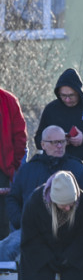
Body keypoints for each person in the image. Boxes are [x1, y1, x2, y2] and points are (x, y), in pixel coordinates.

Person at [0, 126, 83, 262]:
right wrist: (21, 220)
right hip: (31, 231)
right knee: (4, 249)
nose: (59, 146)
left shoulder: (79, 169)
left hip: (69, 232)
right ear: (43, 145)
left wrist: (74, 223)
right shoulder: (28, 170)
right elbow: (13, 199)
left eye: (62, 141)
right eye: (54, 142)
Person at [18, 171, 83, 280]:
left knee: (79, 278)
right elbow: (30, 237)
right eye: (63, 204)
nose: (68, 208)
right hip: (42, 252)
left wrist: (71, 256)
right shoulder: (35, 201)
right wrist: (47, 257)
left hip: (74, 252)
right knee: (37, 277)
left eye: (71, 204)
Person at [0, 85, 27, 238]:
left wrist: (14, 165)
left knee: (2, 221)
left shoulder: (8, 100)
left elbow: (20, 137)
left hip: (2, 170)